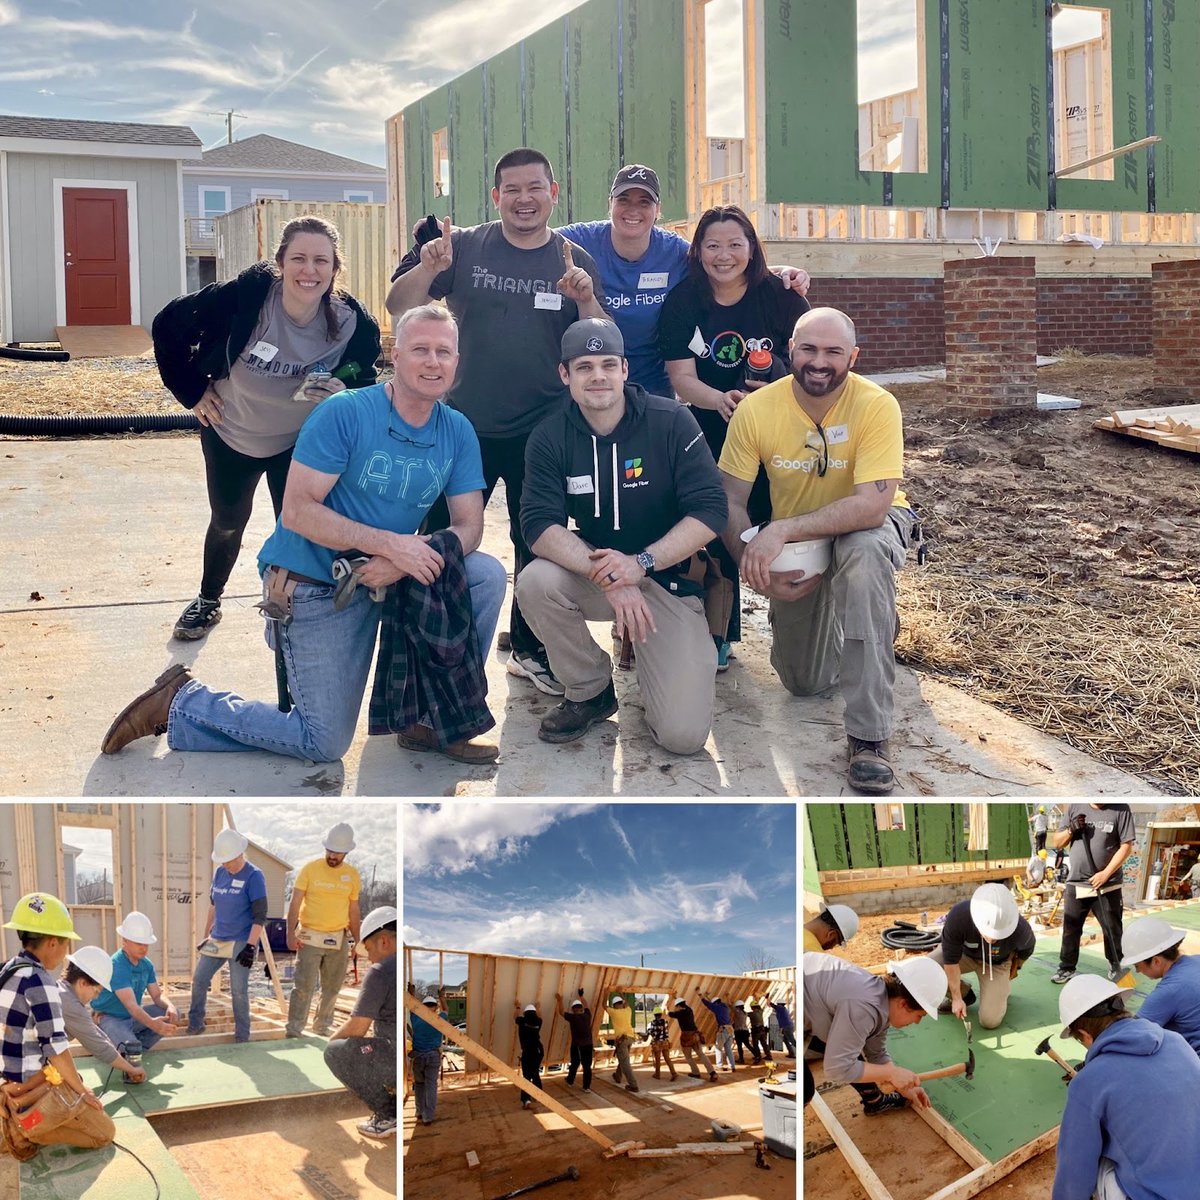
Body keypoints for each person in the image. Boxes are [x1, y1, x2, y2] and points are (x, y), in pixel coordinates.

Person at [101, 305, 507, 765]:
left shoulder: (456, 430)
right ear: (395, 355)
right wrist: (393, 544)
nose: (433, 361)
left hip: (386, 576)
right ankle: (182, 701)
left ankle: (433, 721)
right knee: (323, 742)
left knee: (484, 575)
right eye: (420, 350)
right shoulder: (347, 413)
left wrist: (401, 560)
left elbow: (469, 527)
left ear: (457, 360)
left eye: (444, 352)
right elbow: (297, 511)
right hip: (316, 586)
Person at [387, 146, 606, 697]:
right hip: (462, 427)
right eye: (513, 189)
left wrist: (585, 303)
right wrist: (429, 268)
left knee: (537, 540)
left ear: (554, 194)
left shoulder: (572, 260)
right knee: (441, 539)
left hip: (544, 429)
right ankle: (428, 649)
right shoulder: (463, 247)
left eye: (536, 188)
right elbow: (397, 305)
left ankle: (531, 651)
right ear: (496, 196)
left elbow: (600, 339)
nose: (524, 199)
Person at [153, 214, 381, 640]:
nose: (309, 271)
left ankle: (289, 611)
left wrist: (343, 387)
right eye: (298, 258)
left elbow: (363, 372)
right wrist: (192, 391)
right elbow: (168, 326)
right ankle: (208, 600)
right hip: (231, 433)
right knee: (227, 519)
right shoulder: (244, 300)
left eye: (320, 261)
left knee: (296, 527)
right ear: (280, 262)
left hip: (297, 445)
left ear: (335, 268)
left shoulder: (351, 321)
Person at [719, 306, 915, 794]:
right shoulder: (756, 409)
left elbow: (871, 506)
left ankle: (869, 739)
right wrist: (752, 557)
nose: (819, 361)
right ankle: (860, 620)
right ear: (790, 351)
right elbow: (729, 500)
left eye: (833, 351)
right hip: (802, 541)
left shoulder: (876, 404)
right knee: (803, 682)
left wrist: (781, 530)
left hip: (868, 524)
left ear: (853, 356)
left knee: (864, 554)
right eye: (808, 349)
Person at [517, 318, 728, 750]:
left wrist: (640, 565)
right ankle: (590, 690)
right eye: (584, 366)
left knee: (682, 737)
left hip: (666, 573)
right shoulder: (549, 435)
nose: (598, 376)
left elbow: (711, 510)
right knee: (536, 581)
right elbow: (538, 526)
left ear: (625, 370)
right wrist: (613, 576)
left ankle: (670, 667)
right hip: (598, 568)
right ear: (565, 375)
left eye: (608, 364)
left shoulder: (671, 422)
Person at [659, 204, 811, 669]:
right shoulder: (685, 301)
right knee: (717, 519)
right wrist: (718, 399)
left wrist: (779, 387)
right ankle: (720, 633)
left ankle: (803, 624)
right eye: (713, 245)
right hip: (713, 424)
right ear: (698, 252)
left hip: (781, 428)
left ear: (751, 248)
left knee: (781, 514)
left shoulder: (779, 296)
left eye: (735, 244)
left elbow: (814, 363)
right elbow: (681, 377)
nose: (724, 255)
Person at [557, 165, 811, 394]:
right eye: (624, 200)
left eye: (644, 202)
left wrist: (781, 271)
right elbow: (537, 239)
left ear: (658, 210)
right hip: (594, 384)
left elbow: (721, 263)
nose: (633, 210)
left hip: (653, 389)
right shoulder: (580, 239)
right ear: (610, 203)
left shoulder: (675, 252)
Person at [1052, 974, 1200, 1200]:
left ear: (1083, 1034)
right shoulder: (1177, 1041)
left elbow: (1074, 1166)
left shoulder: (1090, 1081)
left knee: (1094, 1153)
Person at [0, 893, 115, 1157]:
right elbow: (56, 1049)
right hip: (31, 1086)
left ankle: (20, 1115)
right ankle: (25, 1129)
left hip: (9, 1080)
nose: (65, 953)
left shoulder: (7, 970)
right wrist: (83, 1092)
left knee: (74, 1082)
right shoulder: (41, 982)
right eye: (65, 945)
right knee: (104, 1134)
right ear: (53, 943)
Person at [803, 952, 943, 1114]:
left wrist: (902, 1086)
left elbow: (876, 1054)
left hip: (806, 1005)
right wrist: (891, 1074)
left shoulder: (882, 1001)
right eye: (919, 1015)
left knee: (847, 1047)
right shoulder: (864, 1007)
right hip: (783, 1013)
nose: (917, 1022)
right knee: (802, 1091)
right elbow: (837, 1068)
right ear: (903, 1004)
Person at [187, 827, 267, 1043]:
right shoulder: (220, 873)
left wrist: (251, 946)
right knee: (199, 979)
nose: (225, 865)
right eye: (222, 861)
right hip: (218, 938)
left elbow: (260, 916)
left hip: (242, 941)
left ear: (240, 854)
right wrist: (206, 936)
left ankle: (242, 1035)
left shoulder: (254, 876)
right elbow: (213, 907)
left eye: (228, 861)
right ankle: (196, 1023)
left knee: (238, 990)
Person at [324, 906, 397, 1139]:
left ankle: (388, 1114)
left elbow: (358, 1027)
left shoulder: (381, 970)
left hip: (393, 1054)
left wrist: (331, 1042)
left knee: (335, 1052)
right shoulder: (405, 964)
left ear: (383, 941)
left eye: (369, 950)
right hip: (405, 1053)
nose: (371, 958)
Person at [285, 823, 361, 1038]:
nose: (332, 856)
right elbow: (295, 901)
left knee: (332, 989)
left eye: (337, 853)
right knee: (303, 987)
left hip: (337, 938)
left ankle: (321, 1027)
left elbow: (354, 909)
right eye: (330, 850)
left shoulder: (352, 875)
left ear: (346, 852)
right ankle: (294, 1030)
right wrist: (290, 933)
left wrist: (358, 941)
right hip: (310, 936)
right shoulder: (311, 869)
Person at [928, 883, 1036, 1029]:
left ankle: (1001, 992)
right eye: (988, 932)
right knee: (928, 967)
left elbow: (1027, 950)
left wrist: (1016, 966)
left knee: (990, 1021)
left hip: (997, 964)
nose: (992, 939)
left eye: (998, 934)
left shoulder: (1021, 930)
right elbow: (951, 961)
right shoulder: (959, 916)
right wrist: (957, 998)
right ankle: (965, 994)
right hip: (964, 956)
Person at [1051, 804, 1135, 985]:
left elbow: (1126, 846)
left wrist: (1106, 874)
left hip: (1108, 884)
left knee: (1112, 928)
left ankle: (1115, 965)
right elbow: (1056, 842)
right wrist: (1071, 830)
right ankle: (1067, 967)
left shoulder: (1121, 809)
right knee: (1071, 930)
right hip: (1077, 882)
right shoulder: (1075, 807)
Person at [91, 911, 180, 1063]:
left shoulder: (146, 965)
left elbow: (157, 996)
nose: (144, 948)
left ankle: (135, 1046)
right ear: (125, 941)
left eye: (146, 944)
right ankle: (125, 1045)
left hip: (131, 1018)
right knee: (132, 1052)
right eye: (139, 943)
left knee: (173, 1013)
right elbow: (132, 1006)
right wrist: (154, 1025)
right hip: (110, 1018)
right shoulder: (117, 965)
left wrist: (170, 1006)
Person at [56, 946, 147, 1085]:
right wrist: (132, 1070)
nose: (95, 997)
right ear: (83, 983)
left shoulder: (63, 992)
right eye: (97, 991)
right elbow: (96, 1045)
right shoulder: (69, 1004)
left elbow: (94, 1032)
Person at [1120, 917, 1200, 1054]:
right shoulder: (1196, 960)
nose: (1138, 971)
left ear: (1156, 961)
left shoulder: (1169, 991)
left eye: (1137, 965)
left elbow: (1133, 1036)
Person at [407, 986, 446, 1125]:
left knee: (419, 1085)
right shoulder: (440, 1019)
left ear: (422, 1006)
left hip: (418, 1056)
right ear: (435, 1007)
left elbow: (412, 1006)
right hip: (433, 1057)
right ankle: (427, 1117)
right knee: (431, 1086)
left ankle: (419, 1111)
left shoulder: (416, 1017)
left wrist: (411, 994)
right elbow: (446, 1010)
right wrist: (441, 996)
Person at [667, 998, 718, 1082]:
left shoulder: (680, 1013)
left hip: (687, 1037)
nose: (676, 1008)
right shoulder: (690, 1010)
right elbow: (680, 1010)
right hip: (695, 1035)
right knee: (701, 1055)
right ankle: (712, 1073)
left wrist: (666, 1009)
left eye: (676, 1007)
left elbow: (670, 1014)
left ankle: (696, 1073)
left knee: (688, 1056)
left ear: (679, 1006)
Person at [556, 989, 596, 1092]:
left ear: (573, 1010)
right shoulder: (587, 1016)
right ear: (581, 1008)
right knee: (587, 1066)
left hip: (578, 1045)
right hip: (589, 1045)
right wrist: (581, 996)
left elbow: (561, 1012)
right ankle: (586, 1087)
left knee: (575, 1062)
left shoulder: (573, 1018)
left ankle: (570, 1081)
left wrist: (559, 1000)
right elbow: (586, 1005)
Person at [605, 994, 640, 1092]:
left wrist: (605, 993)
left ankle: (633, 1085)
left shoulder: (614, 1012)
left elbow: (603, 1005)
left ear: (615, 1005)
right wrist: (621, 993)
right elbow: (627, 1003)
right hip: (630, 1039)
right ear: (622, 1003)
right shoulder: (628, 1011)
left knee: (625, 1064)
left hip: (622, 1041)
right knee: (623, 1058)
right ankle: (617, 1076)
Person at [514, 1001, 544, 1107]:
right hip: (538, 1050)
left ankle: (526, 1100)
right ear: (534, 1013)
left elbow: (515, 1016)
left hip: (528, 1051)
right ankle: (539, 1095)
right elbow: (540, 1016)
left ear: (525, 1013)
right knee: (535, 1073)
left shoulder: (522, 1021)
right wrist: (538, 1007)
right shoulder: (538, 1021)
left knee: (526, 1075)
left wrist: (518, 1006)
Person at [699, 992, 736, 1072]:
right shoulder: (724, 1006)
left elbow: (708, 1004)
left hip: (723, 1030)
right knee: (728, 1049)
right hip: (730, 1030)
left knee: (718, 1048)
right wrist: (708, 997)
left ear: (715, 1003)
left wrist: (701, 996)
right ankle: (732, 1066)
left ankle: (719, 1065)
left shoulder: (717, 1008)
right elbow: (713, 1005)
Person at [645, 1005, 677, 1080]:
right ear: (661, 1014)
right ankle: (673, 1073)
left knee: (658, 1059)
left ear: (654, 1015)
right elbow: (666, 1031)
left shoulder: (652, 1023)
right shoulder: (665, 1022)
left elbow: (651, 1033)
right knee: (667, 1058)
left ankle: (657, 1074)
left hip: (657, 1043)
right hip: (665, 1042)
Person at [748, 998, 774, 1064]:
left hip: (756, 1031)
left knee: (755, 1044)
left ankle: (758, 1057)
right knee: (764, 1044)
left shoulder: (752, 1014)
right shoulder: (760, 1011)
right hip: (762, 1031)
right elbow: (765, 1006)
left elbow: (743, 1014)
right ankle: (768, 1055)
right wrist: (767, 998)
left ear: (752, 1007)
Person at [731, 999, 755, 1065]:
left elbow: (731, 1006)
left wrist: (728, 998)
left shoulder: (737, 1011)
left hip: (739, 1031)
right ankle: (757, 1055)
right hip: (745, 1031)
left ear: (737, 1006)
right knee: (747, 1045)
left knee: (739, 1046)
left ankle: (741, 1059)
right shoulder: (745, 1013)